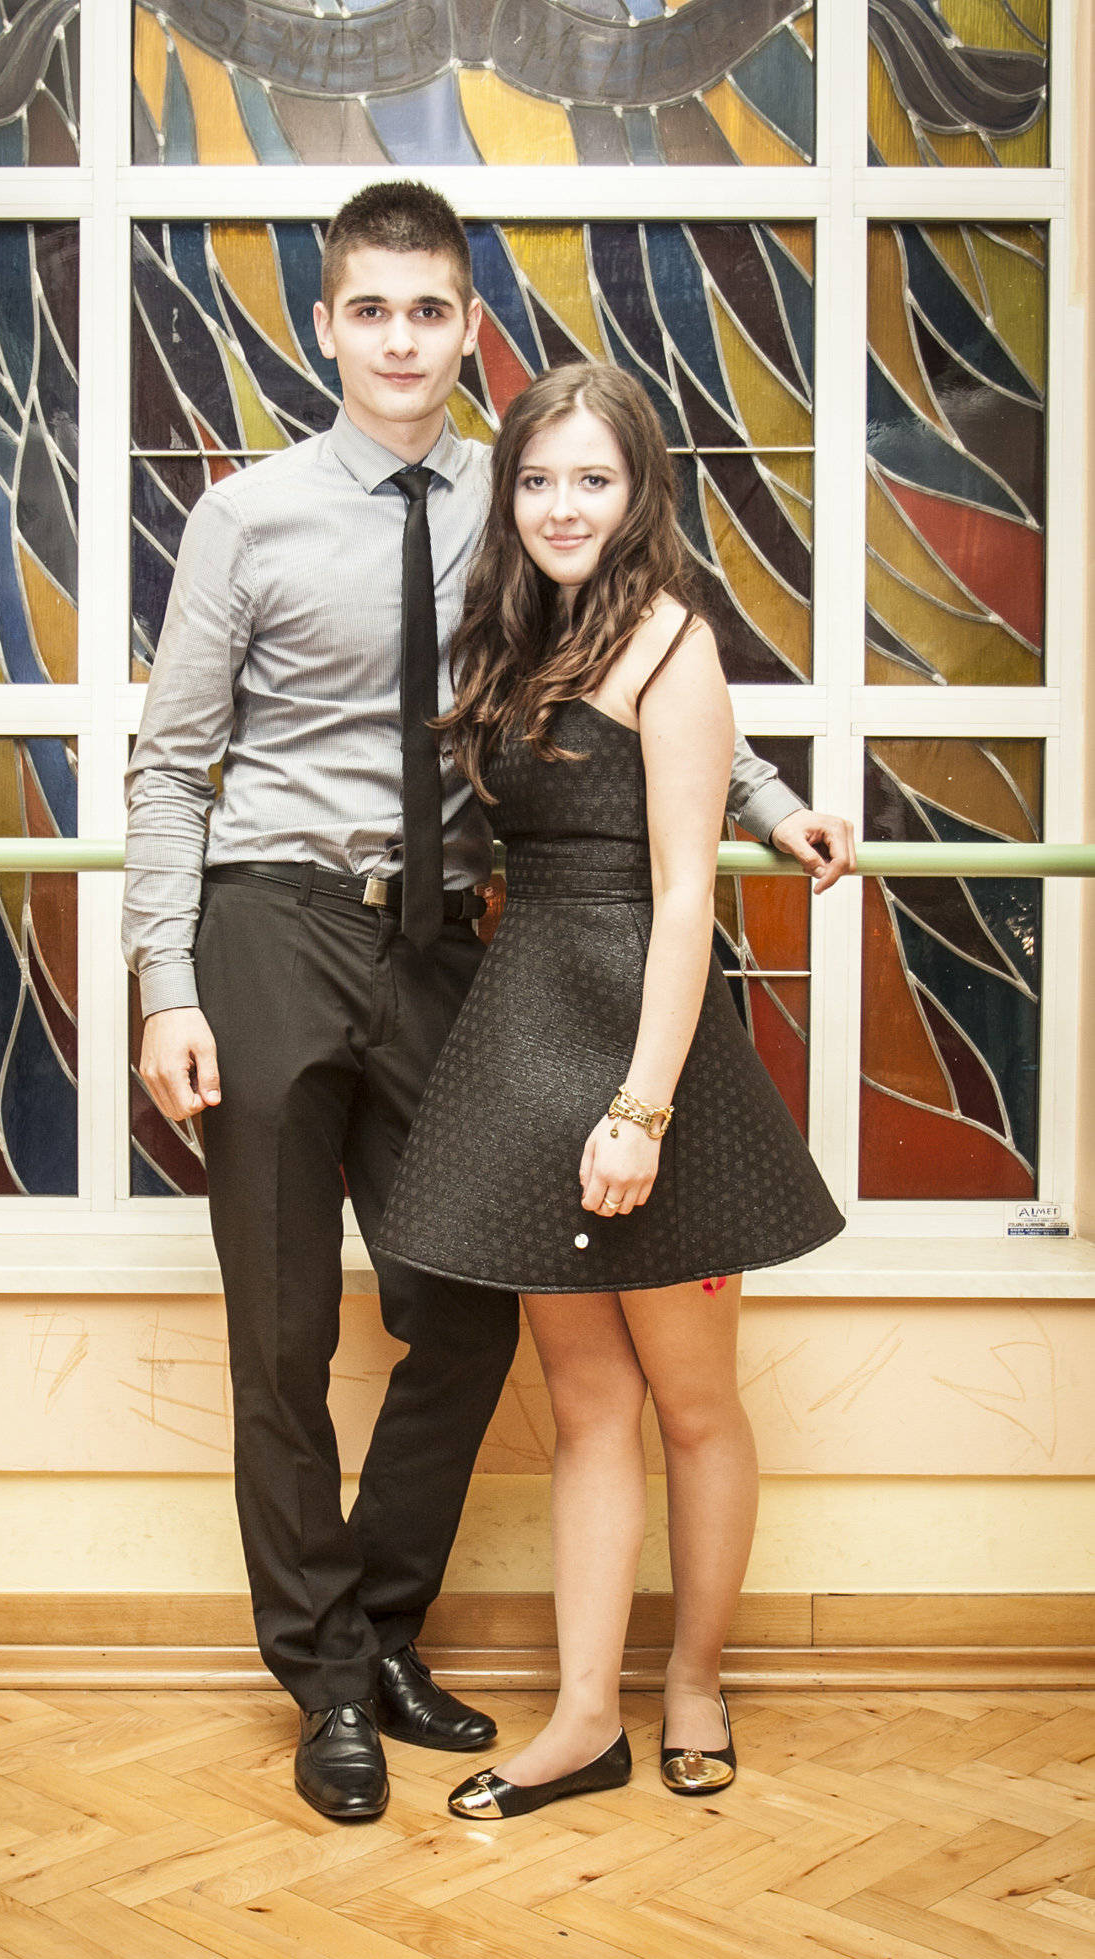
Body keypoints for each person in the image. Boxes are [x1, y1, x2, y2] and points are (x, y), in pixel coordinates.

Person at [123, 182, 852, 1823]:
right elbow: (170, 768)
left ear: (470, 327)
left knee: (463, 1308)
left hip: (454, 946)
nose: (399, 340)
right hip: (272, 923)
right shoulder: (244, 516)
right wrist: (167, 982)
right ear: (325, 326)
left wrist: (767, 802)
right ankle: (323, 1678)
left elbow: (632, 666)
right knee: (281, 1332)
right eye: (368, 311)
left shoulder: (521, 487)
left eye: (427, 311)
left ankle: (380, 1631)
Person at [375, 362, 845, 1819]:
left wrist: (642, 1109)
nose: (562, 505)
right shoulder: (515, 637)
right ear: (508, 496)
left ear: (638, 492)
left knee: (692, 1405)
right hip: (530, 1039)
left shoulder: (670, 639)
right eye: (537, 480)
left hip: (655, 1049)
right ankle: (584, 1719)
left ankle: (693, 1682)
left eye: (593, 478)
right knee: (586, 1407)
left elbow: (688, 893)